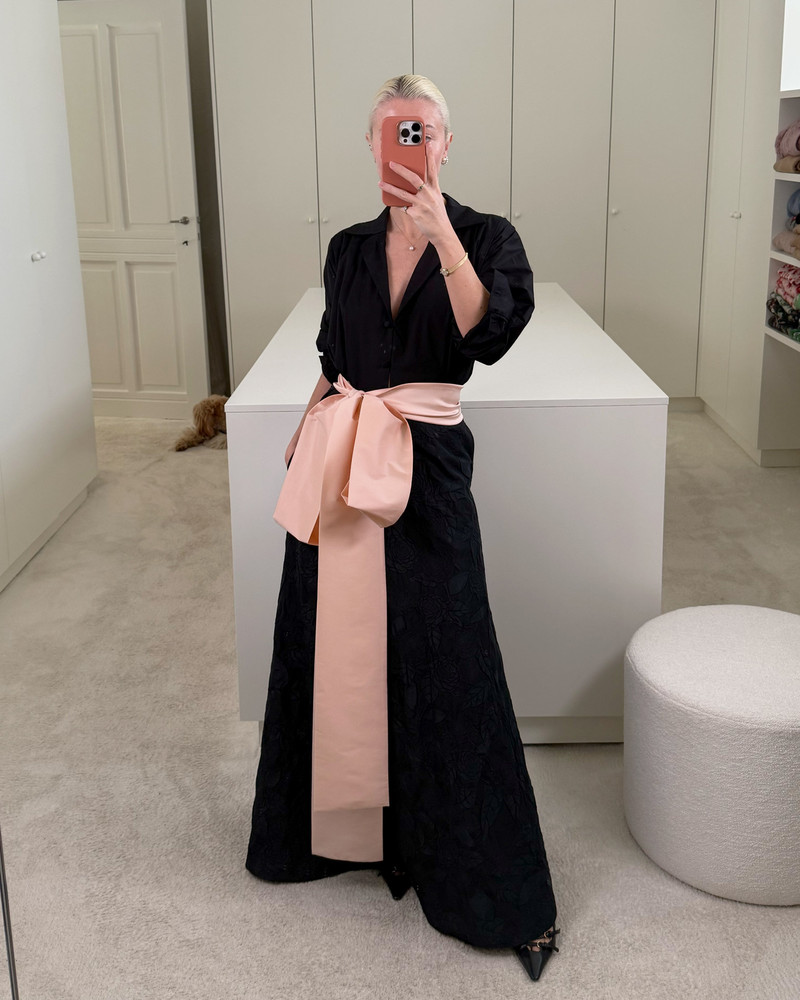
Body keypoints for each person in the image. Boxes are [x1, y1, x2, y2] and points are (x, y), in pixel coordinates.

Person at [246, 74, 561, 983]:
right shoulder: (347, 248)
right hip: (339, 456)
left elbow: (487, 336)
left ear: (446, 142)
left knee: (448, 656)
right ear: (373, 144)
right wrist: (305, 434)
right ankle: (348, 836)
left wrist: (441, 238)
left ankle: (483, 881)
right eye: (392, 131)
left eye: (420, 130)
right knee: (331, 646)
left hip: (427, 464)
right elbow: (333, 354)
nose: (407, 145)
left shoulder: (487, 238)